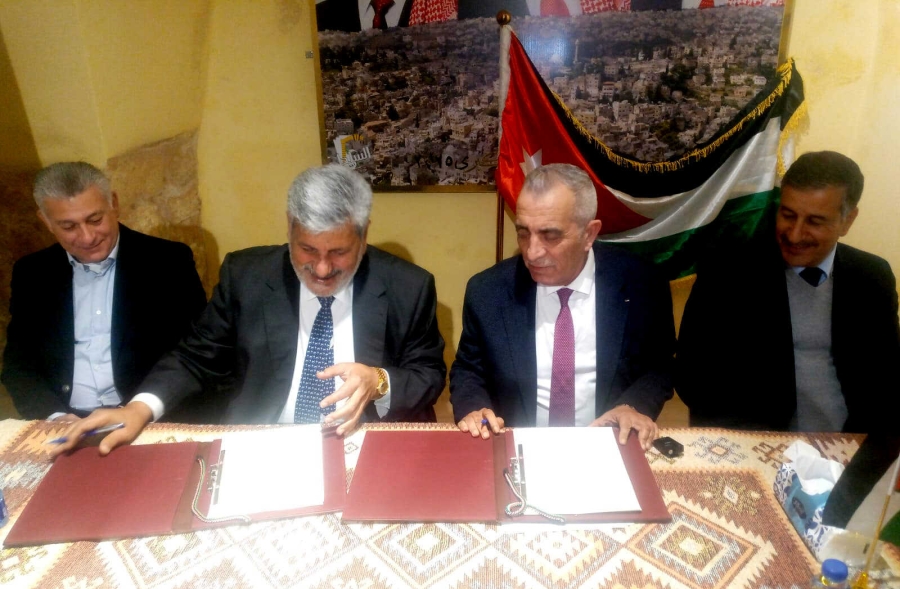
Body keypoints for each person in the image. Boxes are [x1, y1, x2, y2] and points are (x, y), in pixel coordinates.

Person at [51, 163, 446, 456]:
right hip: (264, 440)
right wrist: (140, 408)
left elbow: (428, 375)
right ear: (289, 227)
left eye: (339, 252)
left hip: (363, 441)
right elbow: (195, 356)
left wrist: (378, 380)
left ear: (364, 233)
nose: (323, 269)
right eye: (307, 250)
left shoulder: (407, 286)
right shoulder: (247, 275)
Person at [450, 164, 675, 450]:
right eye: (523, 233)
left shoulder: (642, 284)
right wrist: (474, 408)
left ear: (589, 234)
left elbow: (659, 367)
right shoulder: (488, 291)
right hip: (517, 446)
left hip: (609, 443)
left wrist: (633, 405)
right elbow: (469, 369)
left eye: (551, 235)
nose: (532, 252)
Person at [676, 151, 900, 433]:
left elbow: (887, 379)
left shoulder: (872, 276)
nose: (794, 235)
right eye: (788, 215)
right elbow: (692, 377)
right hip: (754, 442)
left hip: (852, 442)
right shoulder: (727, 272)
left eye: (814, 222)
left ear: (848, 220)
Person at [2, 162, 207, 420]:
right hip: (63, 419)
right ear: (46, 221)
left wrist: (140, 409)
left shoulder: (167, 261)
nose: (87, 237)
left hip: (143, 416)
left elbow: (193, 353)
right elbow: (19, 365)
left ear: (114, 204)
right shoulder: (32, 273)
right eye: (69, 227)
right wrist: (54, 418)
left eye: (95, 220)